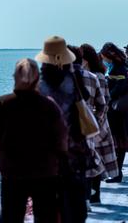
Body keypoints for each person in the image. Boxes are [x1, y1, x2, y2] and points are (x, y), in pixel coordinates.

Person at [0, 58, 68, 223]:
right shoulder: (49, 106)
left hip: (12, 170)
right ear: (37, 79)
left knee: (11, 216)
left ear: (15, 77)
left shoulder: (2, 104)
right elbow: (61, 139)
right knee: (46, 217)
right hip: (45, 170)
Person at [37, 36, 91, 223]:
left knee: (47, 201)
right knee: (75, 197)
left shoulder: (39, 84)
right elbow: (85, 97)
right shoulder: (73, 78)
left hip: (46, 150)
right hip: (73, 146)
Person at [80, 43, 118, 204]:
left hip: (95, 123)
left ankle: (93, 194)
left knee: (95, 160)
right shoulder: (95, 76)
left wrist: (95, 120)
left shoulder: (94, 77)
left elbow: (104, 101)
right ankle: (92, 195)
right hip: (96, 123)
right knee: (94, 159)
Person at [68, 45, 105, 209]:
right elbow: (102, 104)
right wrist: (96, 120)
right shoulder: (91, 77)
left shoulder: (57, 78)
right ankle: (90, 197)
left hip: (65, 128)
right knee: (89, 160)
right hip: (87, 125)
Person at [100, 42, 128, 183]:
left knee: (117, 141)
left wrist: (108, 97)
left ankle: (117, 173)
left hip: (116, 109)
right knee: (117, 141)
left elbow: (121, 86)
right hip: (114, 108)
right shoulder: (117, 66)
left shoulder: (118, 68)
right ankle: (116, 172)